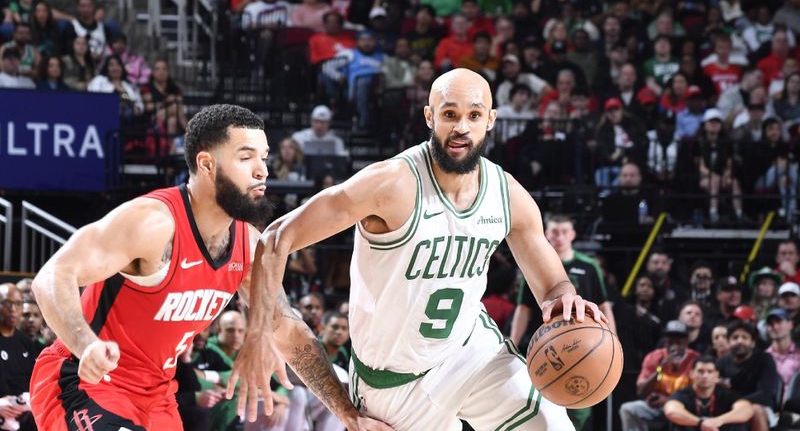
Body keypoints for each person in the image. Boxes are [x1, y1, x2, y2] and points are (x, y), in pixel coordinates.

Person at [233, 68, 606, 430]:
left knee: (551, 425)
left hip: (470, 353)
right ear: (430, 116)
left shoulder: (506, 194)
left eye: (474, 115)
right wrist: (261, 333)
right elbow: (276, 238)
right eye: (450, 114)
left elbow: (553, 286)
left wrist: (565, 298)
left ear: (490, 120)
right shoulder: (390, 183)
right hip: (391, 382)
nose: (461, 126)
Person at [28, 104, 390, 430]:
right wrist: (86, 344)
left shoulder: (247, 244)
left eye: (264, 157)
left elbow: (288, 329)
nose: (262, 170)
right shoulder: (153, 223)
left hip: (157, 396)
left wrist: (349, 416)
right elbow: (53, 276)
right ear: (206, 164)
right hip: (84, 379)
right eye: (246, 158)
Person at [510, 215, 616, 430]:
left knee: (580, 409)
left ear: (573, 235)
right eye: (554, 232)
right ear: (546, 234)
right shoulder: (534, 268)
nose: (559, 237)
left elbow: (604, 306)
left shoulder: (589, 266)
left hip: (585, 348)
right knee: (541, 411)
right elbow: (523, 308)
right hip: (547, 347)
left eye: (564, 231)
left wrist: (613, 341)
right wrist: (513, 342)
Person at [620, 321, 700, 431]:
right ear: (665, 342)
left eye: (679, 341)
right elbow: (641, 391)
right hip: (657, 408)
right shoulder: (654, 357)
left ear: (686, 342)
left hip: (684, 408)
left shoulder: (695, 359)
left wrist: (669, 401)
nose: (675, 345)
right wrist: (660, 369)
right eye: (671, 340)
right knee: (628, 409)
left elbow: (699, 393)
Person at [716, 321, 781, 431]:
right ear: (728, 342)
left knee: (755, 410)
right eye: (735, 338)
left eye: (744, 337)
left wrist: (739, 404)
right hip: (730, 407)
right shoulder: (721, 363)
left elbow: (766, 392)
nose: (740, 341)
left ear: (752, 343)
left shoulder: (765, 359)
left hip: (760, 405)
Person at [663, 355, 754, 431]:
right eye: (700, 371)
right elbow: (671, 411)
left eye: (710, 372)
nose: (705, 376)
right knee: (677, 423)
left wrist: (718, 421)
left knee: (739, 423)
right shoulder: (683, 393)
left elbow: (746, 410)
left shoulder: (726, 393)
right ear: (691, 373)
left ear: (716, 375)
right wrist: (701, 423)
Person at [0, 283, 36, 429]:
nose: (13, 310)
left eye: (18, 304)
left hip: (25, 412)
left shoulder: (25, 342)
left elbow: (35, 382)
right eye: (8, 304)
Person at [765, 308, 800, 399]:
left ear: (790, 324)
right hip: (770, 407)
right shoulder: (763, 358)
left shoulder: (798, 354)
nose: (775, 327)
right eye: (771, 324)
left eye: (779, 322)